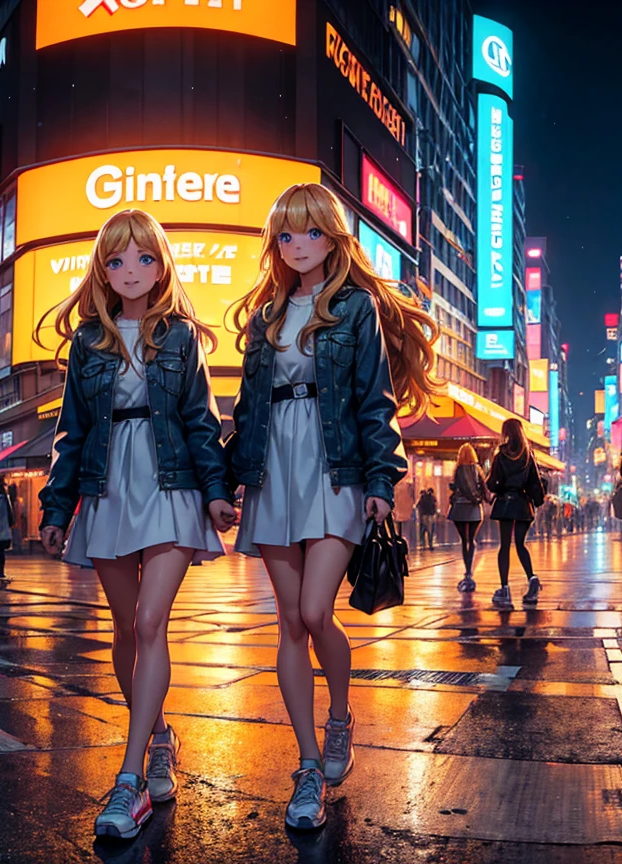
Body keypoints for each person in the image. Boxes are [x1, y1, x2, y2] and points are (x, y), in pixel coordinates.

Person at [228, 183, 438, 832]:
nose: (298, 246)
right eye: (286, 235)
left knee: (317, 611)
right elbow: (246, 407)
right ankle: (310, 765)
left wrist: (383, 478)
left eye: (311, 233)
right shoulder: (266, 314)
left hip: (336, 464)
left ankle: (340, 717)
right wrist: (229, 479)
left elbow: (375, 400)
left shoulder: (355, 309)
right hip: (273, 471)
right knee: (290, 623)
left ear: (333, 237)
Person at [37, 208, 235, 842]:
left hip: (170, 483)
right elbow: (73, 432)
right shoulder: (88, 341)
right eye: (117, 260)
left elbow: (202, 424)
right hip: (105, 487)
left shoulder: (179, 337)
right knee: (125, 628)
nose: (130, 271)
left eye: (144, 259)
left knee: (151, 622)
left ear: (162, 265)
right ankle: (159, 738)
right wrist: (55, 508)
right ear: (102, 269)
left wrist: (216, 494)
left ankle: (129, 782)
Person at [485, 418, 545, 610]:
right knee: (520, 544)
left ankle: (504, 589)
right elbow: (535, 483)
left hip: (505, 504)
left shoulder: (501, 455)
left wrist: (491, 484)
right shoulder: (528, 455)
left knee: (504, 546)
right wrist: (537, 502)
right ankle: (532, 578)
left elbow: (494, 482)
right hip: (523, 505)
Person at [448, 443, 486, 592]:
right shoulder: (477, 470)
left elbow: (454, 486)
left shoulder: (458, 470)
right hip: (474, 508)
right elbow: (483, 487)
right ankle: (470, 569)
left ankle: (467, 568)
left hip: (459, 509)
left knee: (464, 540)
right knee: (472, 539)